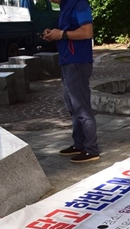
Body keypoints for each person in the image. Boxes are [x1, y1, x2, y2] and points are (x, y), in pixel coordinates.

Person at [42, 0, 100, 163]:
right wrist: (54, 34)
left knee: (81, 107)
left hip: (78, 62)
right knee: (72, 107)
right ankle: (79, 144)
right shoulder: (65, 5)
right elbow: (67, 30)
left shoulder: (79, 3)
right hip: (68, 60)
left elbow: (87, 32)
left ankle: (91, 149)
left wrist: (61, 34)